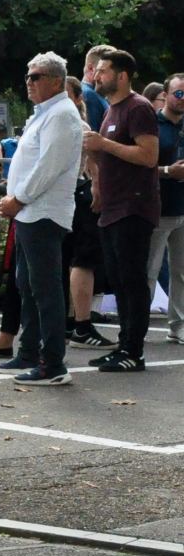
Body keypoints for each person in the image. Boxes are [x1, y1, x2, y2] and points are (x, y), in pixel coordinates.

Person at [0, 52, 86, 384]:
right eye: (28, 76)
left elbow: (48, 167)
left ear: (57, 81)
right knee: (28, 285)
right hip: (30, 212)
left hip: (42, 213)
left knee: (45, 289)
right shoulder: (46, 113)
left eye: (36, 77)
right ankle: (29, 351)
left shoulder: (61, 115)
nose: (29, 82)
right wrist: (17, 201)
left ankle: (53, 363)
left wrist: (17, 199)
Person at [83, 48, 159, 371]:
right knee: (118, 280)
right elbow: (105, 155)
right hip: (112, 208)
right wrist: (97, 181)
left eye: (103, 71)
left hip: (134, 207)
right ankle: (123, 345)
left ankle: (133, 351)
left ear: (122, 76)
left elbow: (148, 156)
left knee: (132, 280)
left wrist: (103, 145)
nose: (97, 76)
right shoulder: (111, 110)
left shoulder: (138, 108)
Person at [68, 46, 115, 349]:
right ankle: (81, 324)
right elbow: (94, 151)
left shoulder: (48, 119)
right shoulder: (88, 108)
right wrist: (97, 183)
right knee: (82, 259)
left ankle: (72, 322)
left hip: (67, 195)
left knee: (74, 259)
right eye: (100, 70)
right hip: (76, 193)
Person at [146, 73, 184, 344]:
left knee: (181, 272)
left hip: (182, 209)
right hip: (158, 208)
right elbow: (140, 166)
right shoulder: (152, 125)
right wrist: (168, 171)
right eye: (179, 94)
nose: (182, 100)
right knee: (149, 270)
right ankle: (137, 326)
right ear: (166, 94)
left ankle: (178, 325)